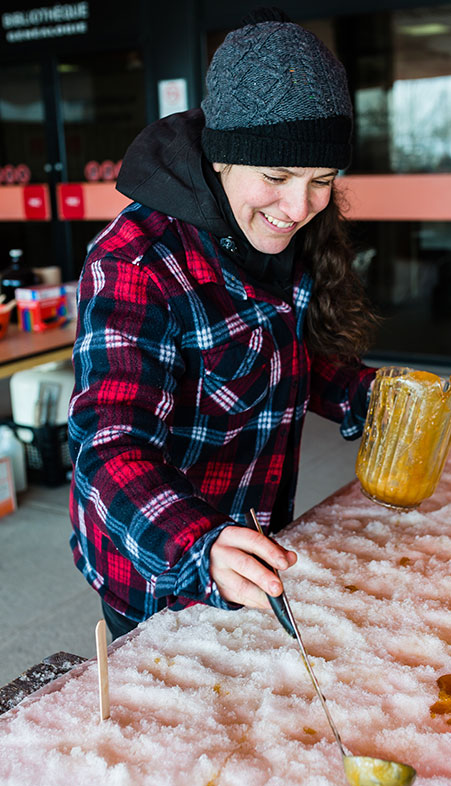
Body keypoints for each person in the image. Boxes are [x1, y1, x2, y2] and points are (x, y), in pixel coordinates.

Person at [68, 7, 378, 640]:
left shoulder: (280, 235)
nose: (299, 208)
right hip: (159, 570)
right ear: (223, 160)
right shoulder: (138, 261)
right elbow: (109, 445)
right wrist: (199, 544)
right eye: (277, 176)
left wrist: (366, 394)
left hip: (258, 551)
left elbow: (282, 354)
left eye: (322, 181)